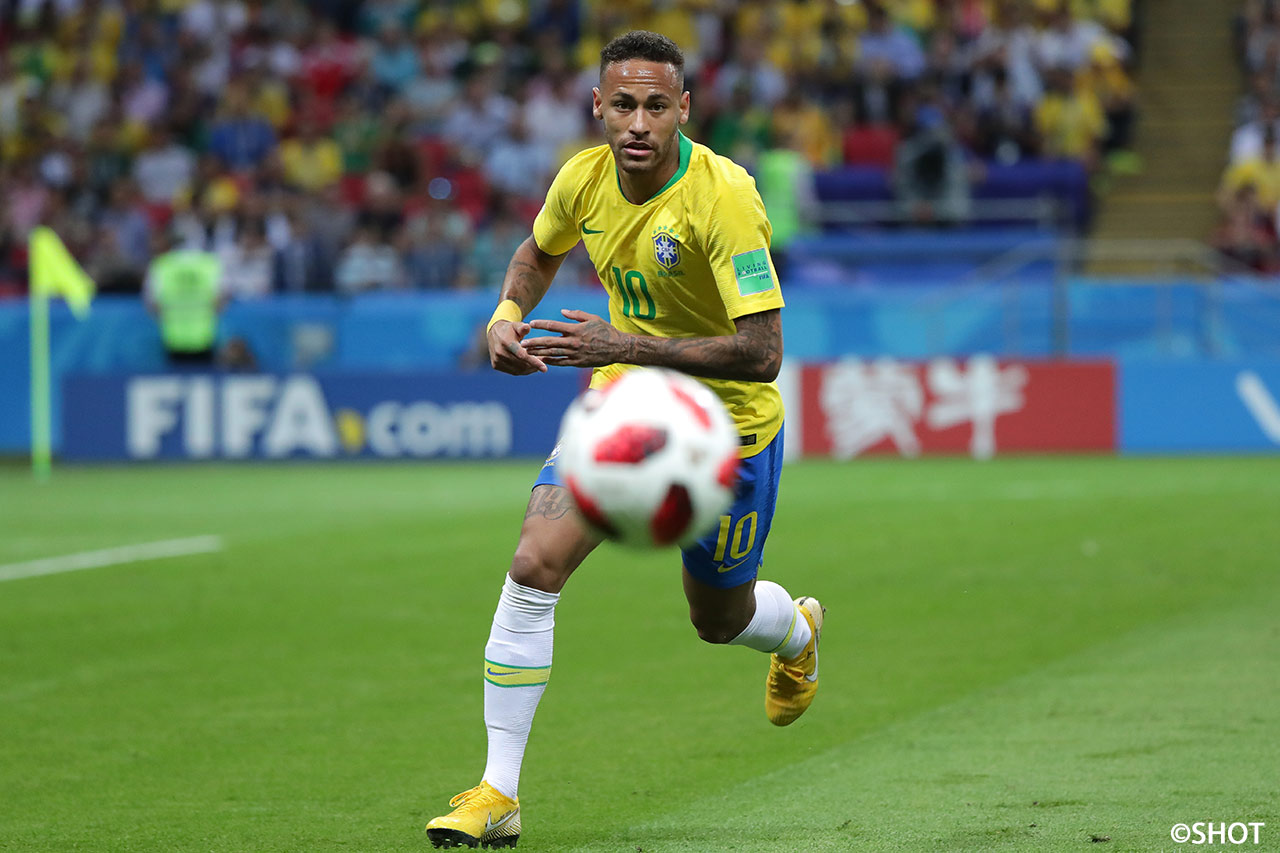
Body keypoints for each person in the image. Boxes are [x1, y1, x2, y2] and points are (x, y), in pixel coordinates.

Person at [425, 31, 825, 850]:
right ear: (597, 107)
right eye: (622, 105)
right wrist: (505, 314)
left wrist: (627, 344)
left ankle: (796, 632)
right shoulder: (582, 177)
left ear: (684, 109)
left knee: (717, 618)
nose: (638, 123)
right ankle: (498, 792)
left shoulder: (725, 197)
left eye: (655, 106)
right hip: (625, 407)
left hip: (726, 429)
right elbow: (538, 252)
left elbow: (763, 353)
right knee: (533, 563)